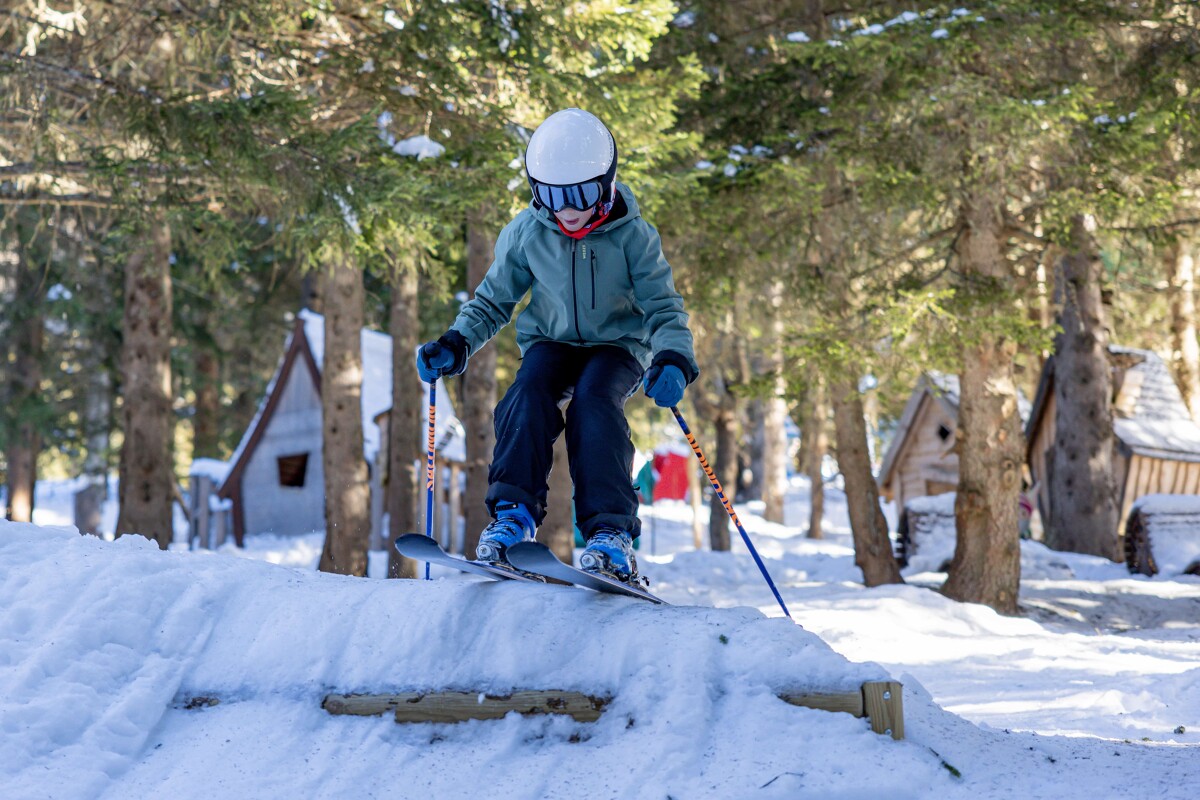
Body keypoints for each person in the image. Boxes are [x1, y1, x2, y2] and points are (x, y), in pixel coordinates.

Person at [416, 108, 698, 585]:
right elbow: (492, 301)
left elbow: (664, 310)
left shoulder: (633, 236)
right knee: (526, 396)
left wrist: (673, 359)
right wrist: (457, 341)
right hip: (550, 341)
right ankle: (513, 517)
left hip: (618, 346)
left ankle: (611, 534)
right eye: (551, 196)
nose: (567, 210)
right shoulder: (528, 232)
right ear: (535, 190)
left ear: (606, 183)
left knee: (593, 403)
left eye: (581, 195)